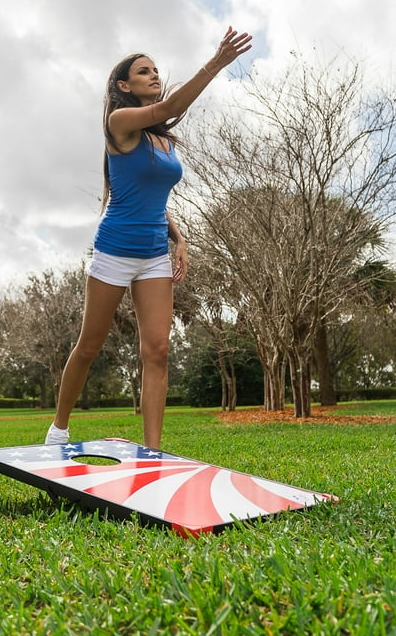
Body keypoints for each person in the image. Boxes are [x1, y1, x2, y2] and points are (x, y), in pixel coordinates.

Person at [45, 27, 253, 449]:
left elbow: (154, 198)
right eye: (144, 71)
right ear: (125, 86)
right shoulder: (118, 123)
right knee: (89, 345)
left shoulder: (163, 138)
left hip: (155, 255)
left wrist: (179, 238)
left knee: (157, 351)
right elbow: (174, 104)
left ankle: (154, 452)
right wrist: (216, 63)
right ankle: (59, 429)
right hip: (115, 250)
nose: (154, 75)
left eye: (156, 70)